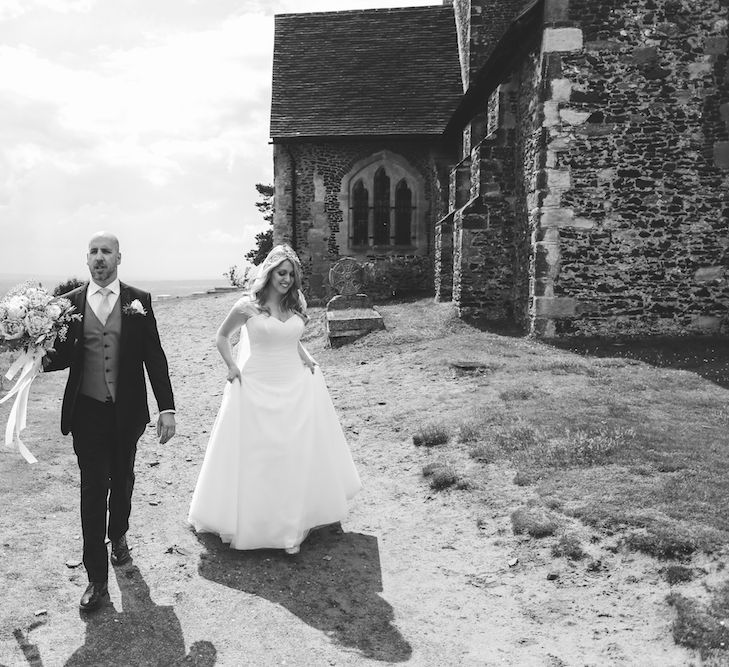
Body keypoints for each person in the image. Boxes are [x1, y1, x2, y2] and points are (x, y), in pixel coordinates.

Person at [188, 244, 360, 555]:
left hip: (293, 385)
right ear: (269, 273)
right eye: (281, 273)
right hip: (255, 385)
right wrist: (231, 366)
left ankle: (290, 528)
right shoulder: (247, 307)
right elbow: (222, 336)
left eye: (291, 275)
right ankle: (257, 524)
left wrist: (306, 357)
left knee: (291, 454)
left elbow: (290, 338)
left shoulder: (295, 306)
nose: (286, 279)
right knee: (260, 457)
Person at [45, 231, 176, 612]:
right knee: (91, 490)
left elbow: (154, 355)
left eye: (107, 251)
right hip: (86, 413)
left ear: (120, 257)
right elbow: (58, 357)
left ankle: (118, 533)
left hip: (127, 410)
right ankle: (96, 579)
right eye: (93, 251)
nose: (99, 257)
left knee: (122, 481)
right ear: (86, 259)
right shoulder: (67, 305)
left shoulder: (140, 301)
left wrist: (166, 407)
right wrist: (29, 346)